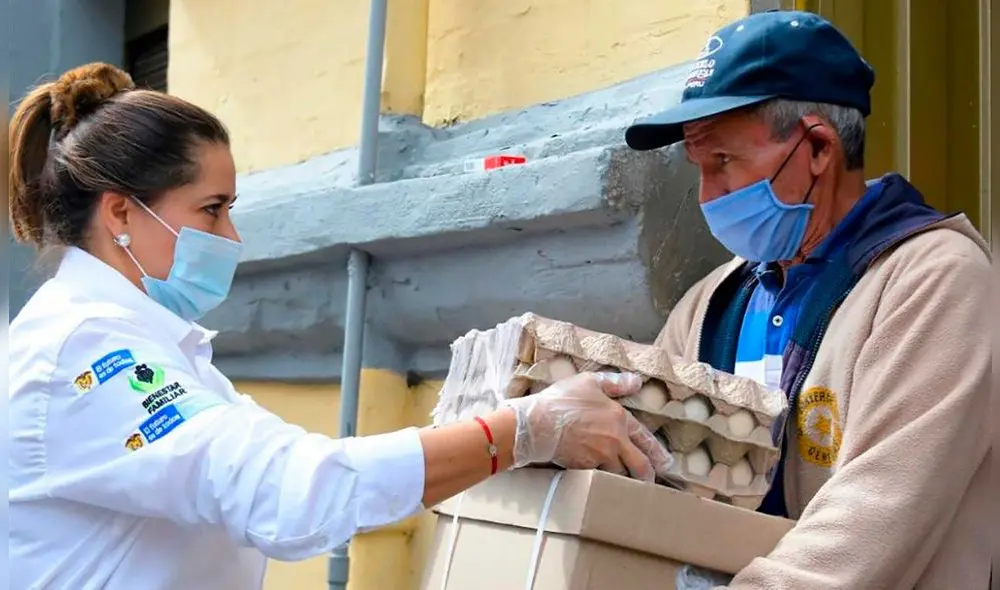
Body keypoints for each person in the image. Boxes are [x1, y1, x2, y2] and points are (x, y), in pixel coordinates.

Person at [6, 62, 674, 589]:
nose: (231, 236)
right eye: (212, 210)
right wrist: (522, 431)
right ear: (120, 214)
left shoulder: (144, 342)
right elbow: (294, 492)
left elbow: (290, 467)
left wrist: (488, 432)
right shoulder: (88, 354)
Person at [625, 10, 990, 590]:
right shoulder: (711, 304)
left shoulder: (935, 280)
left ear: (818, 148)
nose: (706, 196)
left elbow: (876, 512)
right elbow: (654, 470)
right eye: (698, 167)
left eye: (723, 162)